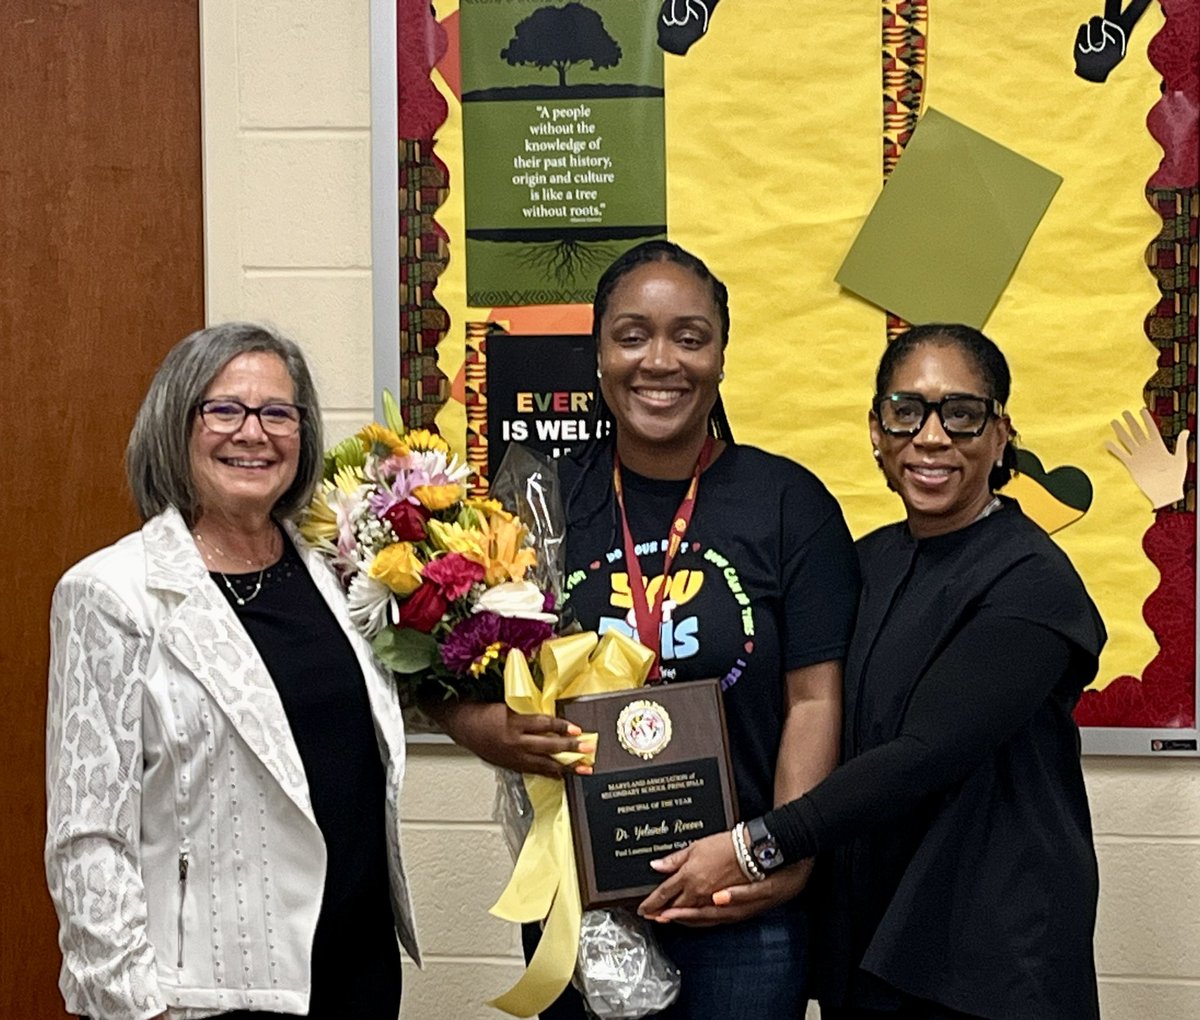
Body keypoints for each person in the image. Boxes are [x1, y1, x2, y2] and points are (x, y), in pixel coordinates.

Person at [436, 240, 860, 1017]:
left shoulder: (789, 504)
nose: (659, 360)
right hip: (582, 902)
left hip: (739, 904)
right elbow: (447, 664)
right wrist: (484, 727)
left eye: (689, 337)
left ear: (722, 356)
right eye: (632, 335)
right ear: (598, 353)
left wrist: (782, 857)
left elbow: (813, 703)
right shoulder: (539, 502)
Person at [640, 323, 1107, 1020]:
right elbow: (795, 705)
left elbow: (924, 755)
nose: (932, 436)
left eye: (962, 413)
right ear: (876, 431)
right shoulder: (864, 562)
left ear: (1002, 432)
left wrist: (754, 846)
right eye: (906, 411)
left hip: (988, 954)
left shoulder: (1032, 582)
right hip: (871, 941)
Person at [45, 323, 418, 1020]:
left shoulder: (339, 577)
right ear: (175, 426)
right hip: (208, 993)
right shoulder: (112, 593)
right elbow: (87, 836)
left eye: (279, 412)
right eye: (223, 410)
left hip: (356, 972)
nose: (254, 433)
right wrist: (135, 1006)